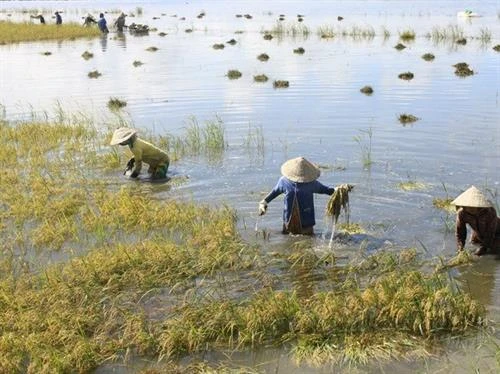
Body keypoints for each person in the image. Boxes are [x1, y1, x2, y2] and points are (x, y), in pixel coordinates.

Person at [258, 157, 335, 235]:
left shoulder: (309, 183)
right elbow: (328, 190)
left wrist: (340, 189)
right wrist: (263, 203)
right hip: (295, 223)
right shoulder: (286, 182)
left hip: (302, 224)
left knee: (290, 242)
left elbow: (328, 190)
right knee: (306, 242)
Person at [452, 185, 500, 256]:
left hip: (496, 233)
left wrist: (483, 248)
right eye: (465, 205)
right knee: (473, 243)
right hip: (478, 234)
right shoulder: (462, 213)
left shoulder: (489, 212)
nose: (466, 207)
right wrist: (460, 249)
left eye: (470, 206)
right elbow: (460, 232)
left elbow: (490, 233)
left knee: (493, 251)